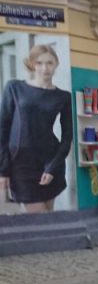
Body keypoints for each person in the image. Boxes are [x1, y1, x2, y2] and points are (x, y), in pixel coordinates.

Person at [0, 44, 73, 213]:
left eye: (49, 63)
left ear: (56, 64)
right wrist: (3, 170)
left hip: (50, 161)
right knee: (40, 218)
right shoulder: (14, 88)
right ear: (32, 64)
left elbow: (67, 136)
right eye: (39, 63)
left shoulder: (63, 97)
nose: (44, 68)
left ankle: (55, 240)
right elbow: (2, 129)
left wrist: (52, 167)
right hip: (21, 165)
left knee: (48, 218)